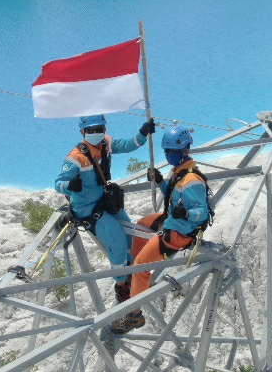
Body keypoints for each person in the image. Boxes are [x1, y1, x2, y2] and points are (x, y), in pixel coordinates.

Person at [110, 125, 211, 335]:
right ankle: (136, 278)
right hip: (172, 219)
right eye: (167, 152)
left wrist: (187, 215)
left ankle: (135, 315)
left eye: (172, 152)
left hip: (180, 232)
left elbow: (202, 211)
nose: (168, 155)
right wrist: (160, 181)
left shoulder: (191, 180)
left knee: (140, 264)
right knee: (143, 223)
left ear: (185, 151)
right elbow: (172, 194)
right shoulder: (180, 172)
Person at [56, 114, 156, 304]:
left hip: (105, 201)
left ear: (104, 130)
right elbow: (58, 183)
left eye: (99, 130)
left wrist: (143, 133)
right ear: (82, 132)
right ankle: (121, 285)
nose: (96, 133)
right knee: (117, 242)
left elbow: (129, 145)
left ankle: (133, 274)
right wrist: (70, 186)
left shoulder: (106, 144)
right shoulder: (75, 158)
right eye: (91, 130)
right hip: (89, 210)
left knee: (132, 238)